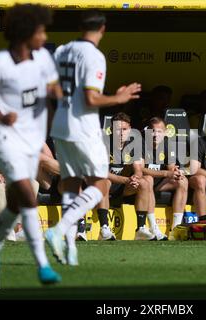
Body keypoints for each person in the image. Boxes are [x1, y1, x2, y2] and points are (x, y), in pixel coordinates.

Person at [0, 4, 61, 284]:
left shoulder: (44, 58)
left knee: (19, 201)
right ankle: (42, 265)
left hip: (29, 137)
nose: (44, 37)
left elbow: (53, 91)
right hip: (3, 136)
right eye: (40, 31)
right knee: (26, 192)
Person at [45, 11, 141, 265]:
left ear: (80, 27)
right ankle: (60, 229)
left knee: (73, 185)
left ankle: (68, 246)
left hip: (61, 128)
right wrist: (119, 99)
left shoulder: (63, 50)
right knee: (100, 187)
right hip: (83, 128)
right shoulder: (94, 56)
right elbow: (91, 98)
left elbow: (50, 89)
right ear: (103, 29)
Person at [104, 112, 158, 241]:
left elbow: (138, 169)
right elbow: (102, 173)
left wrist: (135, 178)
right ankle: (104, 228)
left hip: (124, 187)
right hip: (106, 187)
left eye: (125, 129)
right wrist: (126, 180)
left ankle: (141, 228)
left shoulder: (134, 143)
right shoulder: (103, 144)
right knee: (104, 182)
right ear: (111, 130)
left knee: (144, 182)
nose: (121, 133)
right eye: (118, 130)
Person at [142, 117, 187, 239]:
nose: (155, 135)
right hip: (145, 184)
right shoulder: (141, 143)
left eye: (159, 131)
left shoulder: (168, 145)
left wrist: (176, 172)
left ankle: (175, 229)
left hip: (160, 183)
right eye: (153, 131)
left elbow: (171, 167)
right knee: (148, 179)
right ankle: (153, 227)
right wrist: (166, 174)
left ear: (165, 132)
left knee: (183, 181)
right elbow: (140, 169)